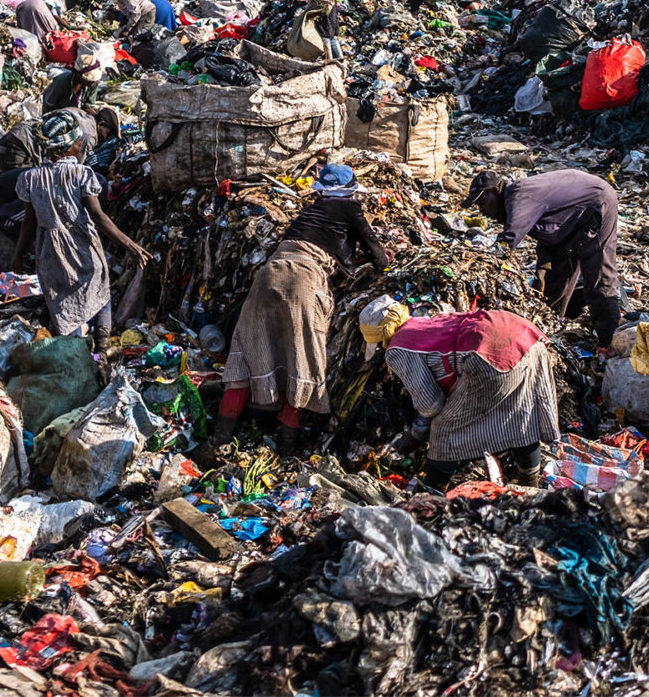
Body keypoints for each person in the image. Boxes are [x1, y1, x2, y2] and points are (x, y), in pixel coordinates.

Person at [210, 164, 390, 453]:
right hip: (304, 279)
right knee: (301, 356)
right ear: (349, 190)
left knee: (248, 351)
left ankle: (218, 441)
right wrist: (386, 263)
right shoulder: (349, 207)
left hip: (268, 275)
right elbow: (375, 250)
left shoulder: (311, 210)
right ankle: (287, 447)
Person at [361, 296, 559, 489]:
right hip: (526, 336)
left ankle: (433, 494)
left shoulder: (398, 349)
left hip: (490, 355)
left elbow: (430, 403)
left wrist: (415, 435)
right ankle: (531, 483)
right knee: (522, 414)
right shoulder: (426, 320)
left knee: (444, 431)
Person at [9, 112, 150, 345]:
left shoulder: (30, 178)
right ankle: (101, 344)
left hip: (49, 248)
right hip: (81, 241)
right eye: (78, 143)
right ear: (66, 148)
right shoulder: (81, 174)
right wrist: (130, 245)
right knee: (99, 286)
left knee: (61, 296)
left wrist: (18, 255)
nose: (81, 146)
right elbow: (97, 216)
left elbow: (29, 221)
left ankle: (71, 345)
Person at [463, 168, 621, 348]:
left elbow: (508, 241)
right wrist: (542, 272)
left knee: (598, 277)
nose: (482, 211)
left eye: (482, 202)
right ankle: (551, 331)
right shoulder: (520, 200)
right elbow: (547, 234)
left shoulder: (518, 196)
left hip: (597, 203)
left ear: (495, 191)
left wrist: (478, 261)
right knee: (554, 283)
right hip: (569, 221)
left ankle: (611, 344)